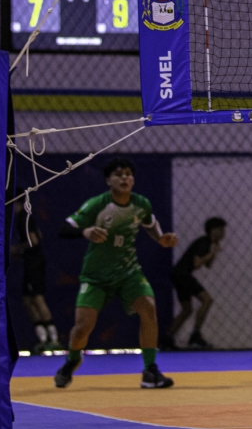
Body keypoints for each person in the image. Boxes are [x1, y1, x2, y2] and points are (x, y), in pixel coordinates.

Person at [54, 158, 177, 389]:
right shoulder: (97, 204)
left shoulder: (141, 204)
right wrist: (86, 231)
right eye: (119, 174)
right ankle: (72, 360)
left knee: (148, 307)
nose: (124, 178)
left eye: (129, 174)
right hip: (96, 276)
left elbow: (150, 223)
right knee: (82, 329)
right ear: (108, 180)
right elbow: (64, 229)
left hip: (128, 272)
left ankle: (150, 370)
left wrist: (161, 238)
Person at [167, 217, 227, 350]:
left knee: (187, 309)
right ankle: (195, 335)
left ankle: (167, 338)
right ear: (214, 230)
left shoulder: (209, 243)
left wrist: (213, 253)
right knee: (207, 300)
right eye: (222, 230)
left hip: (179, 274)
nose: (224, 233)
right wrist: (212, 253)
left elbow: (208, 265)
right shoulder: (204, 242)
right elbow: (197, 263)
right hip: (183, 274)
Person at [11, 202, 60, 353]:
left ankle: (53, 339)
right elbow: (39, 234)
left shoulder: (23, 218)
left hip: (34, 263)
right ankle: (43, 338)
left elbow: (34, 240)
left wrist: (16, 249)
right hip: (31, 262)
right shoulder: (25, 217)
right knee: (27, 300)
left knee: (37, 298)